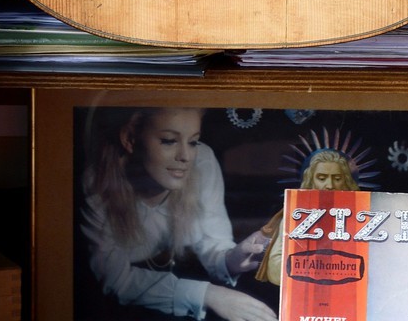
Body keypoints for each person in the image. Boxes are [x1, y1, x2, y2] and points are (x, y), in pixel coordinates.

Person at [79, 106, 275, 321]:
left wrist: (233, 258)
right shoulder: (96, 183)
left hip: (177, 280)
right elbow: (115, 280)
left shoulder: (203, 162)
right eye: (168, 141)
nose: (185, 156)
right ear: (129, 139)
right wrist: (208, 294)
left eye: (192, 142)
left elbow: (212, 242)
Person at [256, 148, 359, 285]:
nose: (329, 185)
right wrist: (318, 267)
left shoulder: (361, 217)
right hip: (304, 295)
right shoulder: (295, 217)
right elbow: (275, 272)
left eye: (337, 178)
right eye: (321, 178)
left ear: (346, 180)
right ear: (311, 179)